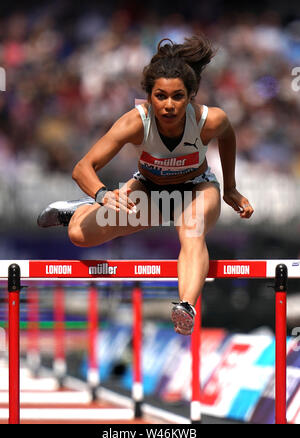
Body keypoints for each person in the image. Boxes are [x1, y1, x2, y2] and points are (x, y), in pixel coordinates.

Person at [38, 35, 254, 335]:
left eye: (177, 97)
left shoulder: (210, 120)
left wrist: (229, 187)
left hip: (197, 189)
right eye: (160, 96)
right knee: (78, 235)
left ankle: (186, 306)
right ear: (149, 97)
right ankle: (81, 210)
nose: (168, 106)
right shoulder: (135, 122)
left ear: (190, 96)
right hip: (150, 192)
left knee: (192, 229)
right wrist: (101, 194)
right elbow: (82, 168)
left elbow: (228, 135)